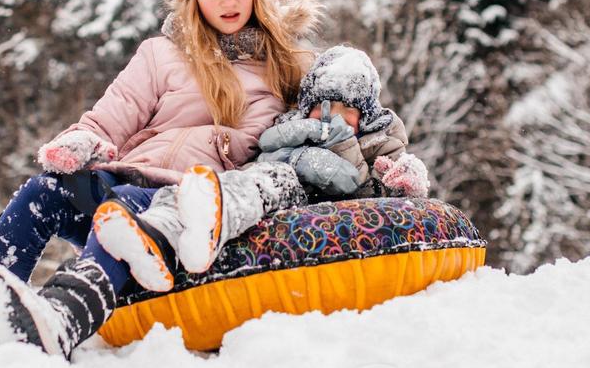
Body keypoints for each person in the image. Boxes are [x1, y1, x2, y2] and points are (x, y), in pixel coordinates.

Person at [0, 0, 321, 358]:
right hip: (125, 177)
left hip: (187, 203)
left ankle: (63, 315)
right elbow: (112, 115)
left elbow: (332, 129)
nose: (228, 2)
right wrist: (83, 140)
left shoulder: (285, 67)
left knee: (128, 208)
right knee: (41, 193)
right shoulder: (160, 54)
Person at [91, 45, 432, 293]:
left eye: (346, 109)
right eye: (323, 107)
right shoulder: (291, 128)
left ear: (367, 114)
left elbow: (382, 197)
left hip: (322, 213)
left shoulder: (381, 141)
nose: (332, 117)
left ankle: (209, 218)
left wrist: (398, 179)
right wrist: (291, 155)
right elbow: (260, 162)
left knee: (279, 181)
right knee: (259, 179)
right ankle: (161, 227)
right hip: (282, 192)